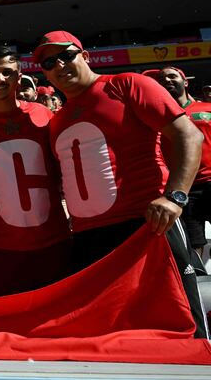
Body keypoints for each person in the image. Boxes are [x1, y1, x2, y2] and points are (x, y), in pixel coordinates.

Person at [33, 31, 208, 338]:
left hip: (146, 226)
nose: (59, 64)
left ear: (85, 56)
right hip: (89, 238)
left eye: (66, 55)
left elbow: (189, 135)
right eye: (49, 62)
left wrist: (175, 197)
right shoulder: (57, 120)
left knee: (182, 319)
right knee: (110, 330)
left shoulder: (127, 84)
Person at [0, 46, 71, 296]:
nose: (0, 79)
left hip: (52, 241)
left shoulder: (44, 115)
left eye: (7, 73)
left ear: (19, 78)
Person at [148, 66, 211, 259]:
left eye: (172, 76)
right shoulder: (154, 118)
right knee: (194, 243)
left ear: (185, 82)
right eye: (161, 78)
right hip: (184, 189)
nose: (166, 80)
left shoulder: (207, 108)